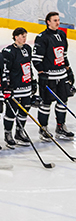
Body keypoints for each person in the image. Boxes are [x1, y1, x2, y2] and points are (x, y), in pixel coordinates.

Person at [32, 11, 73, 140]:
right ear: (48, 22)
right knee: (46, 103)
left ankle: (60, 127)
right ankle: (43, 128)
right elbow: (36, 59)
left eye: (58, 20)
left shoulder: (61, 34)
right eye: (55, 20)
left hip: (62, 75)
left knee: (63, 101)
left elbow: (63, 55)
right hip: (49, 77)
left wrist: (69, 70)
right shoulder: (42, 37)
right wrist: (42, 73)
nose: (58, 22)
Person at [2, 27, 35, 147]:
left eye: (25, 36)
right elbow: (5, 70)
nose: (24, 38)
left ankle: (19, 132)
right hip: (14, 88)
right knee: (11, 111)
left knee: (24, 110)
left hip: (26, 86)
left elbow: (28, 66)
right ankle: (8, 133)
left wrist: (32, 80)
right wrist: (7, 86)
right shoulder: (8, 51)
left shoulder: (27, 49)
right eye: (22, 36)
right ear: (16, 37)